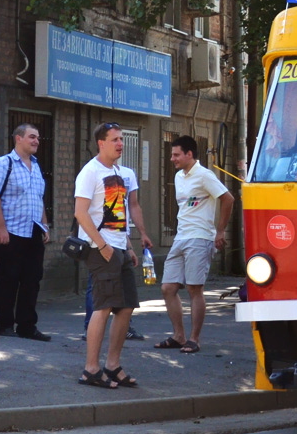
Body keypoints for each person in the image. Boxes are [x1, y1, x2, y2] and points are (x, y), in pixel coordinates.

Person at [74, 123, 152, 389]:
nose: (120, 144)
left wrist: (128, 246)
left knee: (126, 306)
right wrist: (103, 246)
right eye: (115, 140)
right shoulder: (90, 172)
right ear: (101, 143)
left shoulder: (119, 173)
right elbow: (80, 214)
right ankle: (91, 369)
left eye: (121, 139)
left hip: (119, 247)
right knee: (103, 307)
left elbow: (118, 216)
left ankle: (112, 365)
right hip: (100, 250)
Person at [155, 135, 234, 354]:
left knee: (194, 288)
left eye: (176, 154)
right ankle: (179, 336)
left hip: (200, 238)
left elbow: (228, 198)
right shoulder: (180, 176)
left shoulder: (204, 175)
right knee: (167, 288)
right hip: (181, 238)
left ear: (190, 154)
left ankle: (194, 339)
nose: (172, 159)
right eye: (172, 155)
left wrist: (220, 230)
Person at [0, 124, 50, 341]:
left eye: (37, 137)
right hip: (11, 231)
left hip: (33, 231)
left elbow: (38, 198)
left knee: (32, 279)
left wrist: (45, 225)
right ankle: (4, 324)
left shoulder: (36, 166)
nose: (36, 141)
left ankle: (27, 326)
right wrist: (1, 227)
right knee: (8, 279)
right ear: (18, 138)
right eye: (32, 137)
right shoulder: (3, 163)